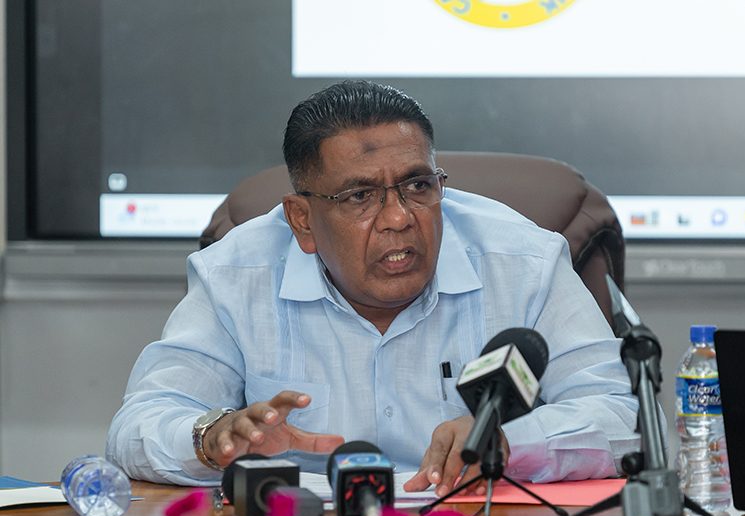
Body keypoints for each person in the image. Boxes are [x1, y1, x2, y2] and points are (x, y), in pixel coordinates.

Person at [106, 80, 640, 493]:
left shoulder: (523, 261)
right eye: (361, 196)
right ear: (302, 220)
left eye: (417, 185)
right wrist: (214, 437)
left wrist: (502, 441)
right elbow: (137, 427)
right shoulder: (235, 276)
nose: (399, 217)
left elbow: (621, 415)